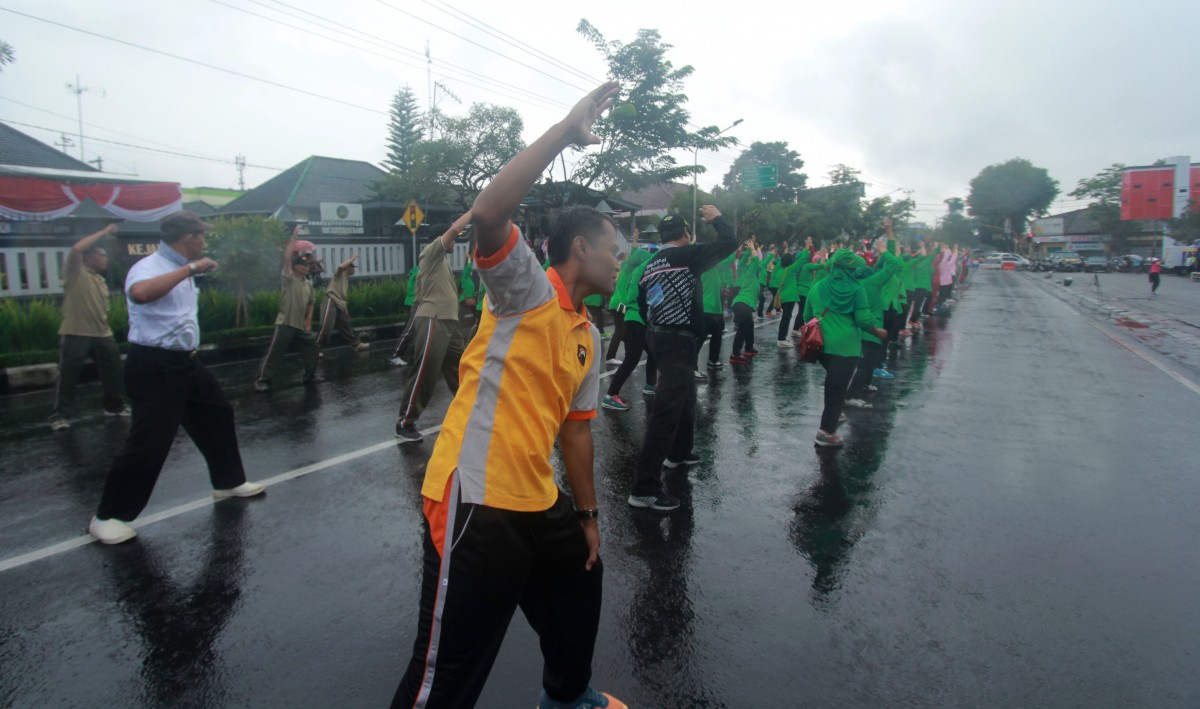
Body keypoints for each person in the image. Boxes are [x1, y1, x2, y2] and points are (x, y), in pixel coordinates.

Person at [392, 81, 626, 709]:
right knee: (445, 672)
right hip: (475, 496)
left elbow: (576, 431)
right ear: (581, 249)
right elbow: (491, 213)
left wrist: (587, 517)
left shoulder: (589, 335)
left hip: (534, 496)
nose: (621, 262)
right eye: (615, 251)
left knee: (582, 571)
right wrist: (564, 131)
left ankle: (568, 696)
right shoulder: (527, 289)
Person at [87, 211, 264, 545]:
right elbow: (139, 294)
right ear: (189, 239)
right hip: (154, 366)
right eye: (202, 236)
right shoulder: (149, 267)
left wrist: (191, 270)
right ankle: (107, 516)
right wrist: (192, 268)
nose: (205, 242)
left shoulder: (179, 267)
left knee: (217, 414)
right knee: (149, 442)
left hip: (186, 363)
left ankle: (227, 482)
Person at [627, 206, 737, 511]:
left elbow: (642, 302)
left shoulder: (651, 264)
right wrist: (717, 218)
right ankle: (644, 488)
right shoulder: (686, 256)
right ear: (686, 234)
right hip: (677, 340)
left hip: (660, 336)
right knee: (665, 410)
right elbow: (729, 244)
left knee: (686, 394)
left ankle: (678, 452)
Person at [394, 218, 470, 443]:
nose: (456, 241)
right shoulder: (431, 252)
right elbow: (454, 229)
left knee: (462, 367)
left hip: (449, 321)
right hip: (433, 318)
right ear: (442, 238)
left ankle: (471, 411)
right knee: (425, 371)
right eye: (453, 239)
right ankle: (405, 422)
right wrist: (475, 210)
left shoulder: (442, 261)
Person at [803, 249, 888, 448]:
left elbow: (807, 316)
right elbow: (863, 319)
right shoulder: (857, 290)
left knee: (834, 384)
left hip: (820, 346)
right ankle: (826, 432)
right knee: (836, 389)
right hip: (846, 348)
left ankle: (832, 417)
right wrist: (877, 331)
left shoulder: (817, 287)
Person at [49, 224, 128, 431]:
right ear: (89, 257)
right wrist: (103, 232)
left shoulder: (99, 280)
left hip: (102, 334)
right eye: (101, 255)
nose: (105, 259)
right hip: (76, 332)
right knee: (68, 375)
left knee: (112, 371)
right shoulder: (75, 272)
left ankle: (115, 407)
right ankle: (60, 416)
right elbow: (76, 249)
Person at [254, 229, 319, 391]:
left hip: (300, 325)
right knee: (275, 353)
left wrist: (308, 321)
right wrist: (293, 238)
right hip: (285, 322)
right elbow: (286, 258)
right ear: (296, 266)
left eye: (308, 265)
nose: (306, 267)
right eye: (303, 265)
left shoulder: (307, 283)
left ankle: (309, 377)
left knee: (313, 347)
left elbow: (312, 303)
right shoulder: (288, 278)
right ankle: (262, 380)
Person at [601, 242, 657, 411]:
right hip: (636, 319)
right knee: (632, 359)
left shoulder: (636, 270)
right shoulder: (640, 270)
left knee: (652, 353)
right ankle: (610, 395)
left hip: (637, 319)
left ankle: (649, 385)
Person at [316, 253, 369, 351]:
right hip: (330, 301)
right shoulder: (339, 275)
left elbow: (342, 298)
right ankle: (315, 350)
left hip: (339, 304)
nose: (354, 270)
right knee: (325, 326)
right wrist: (352, 259)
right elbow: (340, 266)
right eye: (352, 267)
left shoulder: (346, 280)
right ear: (347, 268)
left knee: (345, 325)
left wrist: (346, 311)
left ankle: (356, 345)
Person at [697, 251, 735, 373]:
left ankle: (713, 361)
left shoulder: (716, 271)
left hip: (716, 308)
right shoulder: (707, 268)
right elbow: (728, 260)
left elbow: (717, 287)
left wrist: (722, 291)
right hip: (707, 307)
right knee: (701, 338)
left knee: (717, 334)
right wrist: (734, 250)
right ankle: (691, 366)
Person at [729, 239, 761, 363]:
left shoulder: (751, 275)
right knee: (743, 328)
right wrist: (752, 249)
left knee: (749, 325)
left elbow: (752, 262)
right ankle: (735, 354)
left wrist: (749, 249)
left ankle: (749, 348)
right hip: (742, 303)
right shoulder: (749, 272)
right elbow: (755, 260)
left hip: (743, 304)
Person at [389, 263, 420, 366]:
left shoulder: (414, 272)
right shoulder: (419, 273)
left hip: (411, 301)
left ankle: (415, 353)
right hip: (415, 302)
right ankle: (395, 355)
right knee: (410, 329)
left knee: (414, 330)